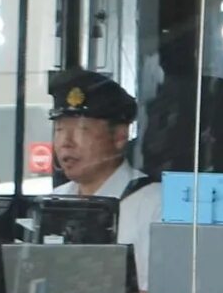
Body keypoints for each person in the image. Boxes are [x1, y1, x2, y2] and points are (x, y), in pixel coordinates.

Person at [49, 69, 162, 262]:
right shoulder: (53, 204)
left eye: (80, 129)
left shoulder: (155, 205)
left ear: (119, 136)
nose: (66, 142)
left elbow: (159, 290)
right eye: (59, 129)